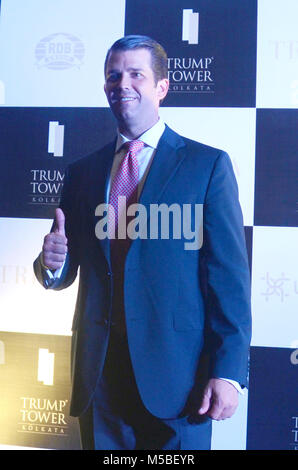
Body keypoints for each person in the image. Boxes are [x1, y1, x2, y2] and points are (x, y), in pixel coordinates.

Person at [34, 35, 251, 450]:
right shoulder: (82, 172)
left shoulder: (207, 166)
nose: (123, 83)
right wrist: (53, 264)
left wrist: (227, 373)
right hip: (100, 378)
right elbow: (64, 269)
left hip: (179, 381)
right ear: (104, 87)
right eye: (113, 75)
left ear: (162, 88)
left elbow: (229, 279)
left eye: (136, 74)